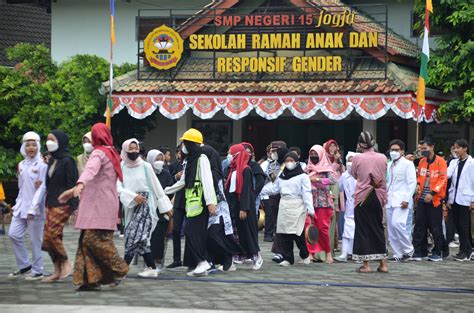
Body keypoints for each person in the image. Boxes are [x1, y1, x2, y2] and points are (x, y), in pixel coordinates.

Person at [59, 123, 128, 291]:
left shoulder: (99, 153)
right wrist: (73, 190)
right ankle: (92, 279)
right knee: (86, 242)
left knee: (91, 240)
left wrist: (80, 184)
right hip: (105, 204)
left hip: (98, 205)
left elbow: (90, 170)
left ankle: (119, 267)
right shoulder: (112, 153)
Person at [164, 128, 217, 276]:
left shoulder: (202, 159)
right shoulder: (189, 161)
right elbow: (182, 182)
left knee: (193, 233)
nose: (182, 146)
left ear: (191, 144)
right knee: (193, 233)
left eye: (184, 143)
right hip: (191, 204)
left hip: (201, 203)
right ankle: (200, 265)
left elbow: (207, 181)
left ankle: (202, 262)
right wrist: (164, 191)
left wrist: (210, 202)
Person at [117, 139, 173, 277]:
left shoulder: (145, 166)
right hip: (130, 205)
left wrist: (165, 207)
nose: (134, 151)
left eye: (136, 148)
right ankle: (152, 268)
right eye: (131, 149)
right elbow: (117, 187)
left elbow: (156, 187)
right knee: (142, 238)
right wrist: (132, 196)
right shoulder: (121, 166)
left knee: (133, 235)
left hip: (145, 205)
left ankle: (122, 269)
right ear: (125, 150)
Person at [261, 151, 313, 266]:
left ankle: (305, 254)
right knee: (284, 233)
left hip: (298, 205)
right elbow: (274, 189)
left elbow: (307, 193)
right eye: (287, 161)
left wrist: (310, 209)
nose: (289, 163)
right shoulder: (282, 176)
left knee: (297, 233)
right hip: (284, 205)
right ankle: (288, 258)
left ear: (296, 162)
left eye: (291, 161)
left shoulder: (303, 176)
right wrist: (259, 190)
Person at [8, 132, 47, 281]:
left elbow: (42, 188)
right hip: (21, 207)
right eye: (28, 144)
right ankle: (24, 266)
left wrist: (33, 208)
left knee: (35, 240)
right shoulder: (22, 165)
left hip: (35, 209)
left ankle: (38, 270)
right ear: (24, 146)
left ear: (38, 145)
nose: (31, 147)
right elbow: (21, 187)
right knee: (13, 234)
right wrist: (17, 205)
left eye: (34, 144)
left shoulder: (42, 165)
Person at [42, 130, 79, 282]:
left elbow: (73, 184)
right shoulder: (51, 160)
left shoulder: (68, 160)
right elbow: (49, 184)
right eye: (48, 139)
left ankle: (65, 261)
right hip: (50, 203)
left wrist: (74, 206)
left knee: (52, 234)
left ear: (61, 142)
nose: (48, 142)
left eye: (53, 140)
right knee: (47, 238)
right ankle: (57, 271)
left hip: (63, 203)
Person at [351, 131, 388, 273]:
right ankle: (383, 264)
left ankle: (366, 265)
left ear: (361, 144)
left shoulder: (357, 158)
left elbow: (354, 174)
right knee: (378, 228)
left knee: (363, 229)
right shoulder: (383, 157)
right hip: (378, 196)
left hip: (362, 197)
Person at [201, 145, 242, 272]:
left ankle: (228, 256)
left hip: (218, 210)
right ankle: (215, 261)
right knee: (210, 237)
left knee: (214, 236)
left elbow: (218, 193)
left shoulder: (214, 173)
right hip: (208, 209)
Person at [225, 143, 263, 270]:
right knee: (239, 234)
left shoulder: (246, 170)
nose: (229, 157)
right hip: (234, 205)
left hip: (245, 207)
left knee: (248, 233)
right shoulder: (232, 171)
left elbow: (246, 190)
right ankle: (240, 255)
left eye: (232, 154)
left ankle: (256, 257)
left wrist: (243, 208)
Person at [411, 137, 448, 262]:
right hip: (421, 198)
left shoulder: (441, 161)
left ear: (432, 147)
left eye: (425, 148)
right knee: (420, 226)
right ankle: (420, 251)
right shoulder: (421, 161)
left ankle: (438, 251)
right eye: (421, 149)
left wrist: (432, 193)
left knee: (435, 226)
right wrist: (417, 185)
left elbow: (443, 179)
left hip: (434, 199)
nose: (423, 150)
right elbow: (419, 177)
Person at [305, 145, 337, 264]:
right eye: (311, 154)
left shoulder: (327, 169)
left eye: (316, 154)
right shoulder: (307, 169)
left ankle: (328, 253)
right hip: (310, 202)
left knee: (322, 229)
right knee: (309, 228)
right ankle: (310, 253)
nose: (313, 156)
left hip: (323, 203)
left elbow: (334, 180)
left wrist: (317, 180)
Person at [385, 139, 416, 262]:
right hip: (390, 199)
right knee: (391, 228)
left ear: (402, 151)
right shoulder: (389, 164)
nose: (394, 152)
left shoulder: (408, 164)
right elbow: (388, 182)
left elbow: (412, 182)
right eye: (392, 150)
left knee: (398, 224)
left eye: (397, 150)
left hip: (402, 200)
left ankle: (408, 249)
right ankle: (398, 253)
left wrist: (407, 199)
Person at [146, 149, 175, 270]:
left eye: (161, 159)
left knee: (160, 237)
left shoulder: (166, 173)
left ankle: (158, 261)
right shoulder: (147, 173)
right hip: (149, 209)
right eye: (156, 159)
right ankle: (149, 262)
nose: (159, 162)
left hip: (162, 210)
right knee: (150, 237)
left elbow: (171, 190)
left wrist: (164, 200)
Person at [447, 139, 474, 261]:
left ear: (465, 148)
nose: (456, 150)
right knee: (458, 225)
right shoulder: (454, 162)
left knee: (464, 226)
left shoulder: (472, 163)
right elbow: (447, 175)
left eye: (458, 148)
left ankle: (465, 251)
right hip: (454, 198)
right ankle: (467, 251)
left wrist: (473, 200)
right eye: (454, 148)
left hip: (466, 198)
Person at [166, 147, 186, 270]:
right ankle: (176, 259)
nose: (180, 155)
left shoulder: (192, 163)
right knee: (176, 230)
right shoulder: (174, 165)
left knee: (191, 232)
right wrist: (176, 177)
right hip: (178, 200)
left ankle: (191, 259)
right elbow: (169, 181)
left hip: (191, 201)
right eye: (178, 152)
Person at [335, 152, 358, 262]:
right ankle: (345, 252)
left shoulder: (361, 174)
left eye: (353, 160)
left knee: (357, 229)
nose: (350, 163)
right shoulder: (344, 176)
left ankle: (356, 253)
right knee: (347, 228)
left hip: (361, 206)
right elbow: (338, 187)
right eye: (349, 160)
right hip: (349, 206)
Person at [324, 139, 344, 253]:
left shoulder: (338, 159)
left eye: (334, 146)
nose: (332, 148)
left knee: (335, 216)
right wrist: (335, 162)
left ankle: (335, 244)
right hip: (327, 187)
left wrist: (339, 162)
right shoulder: (324, 158)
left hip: (337, 188)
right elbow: (329, 171)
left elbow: (343, 172)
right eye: (330, 146)